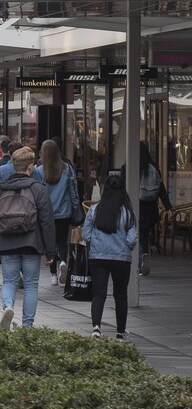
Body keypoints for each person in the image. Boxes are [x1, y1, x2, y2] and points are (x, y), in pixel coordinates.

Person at [0, 147, 58, 331]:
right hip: (31, 244)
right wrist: (50, 251)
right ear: (31, 167)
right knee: (31, 285)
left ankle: (8, 306)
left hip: (5, 242)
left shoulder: (1, 190)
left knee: (9, 282)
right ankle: (27, 326)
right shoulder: (38, 190)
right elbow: (47, 222)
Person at [83, 173, 138, 340]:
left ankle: (96, 327)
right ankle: (120, 332)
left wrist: (96, 244)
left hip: (98, 257)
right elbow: (132, 238)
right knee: (120, 294)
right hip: (121, 258)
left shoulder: (94, 210)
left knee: (99, 293)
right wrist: (125, 245)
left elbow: (86, 235)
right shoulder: (128, 212)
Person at [33, 139, 80, 285]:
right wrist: (75, 206)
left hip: (46, 213)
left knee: (50, 243)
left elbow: (36, 193)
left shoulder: (39, 171)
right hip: (64, 212)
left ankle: (53, 274)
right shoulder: (67, 168)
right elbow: (73, 191)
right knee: (62, 241)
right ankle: (63, 263)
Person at [138, 141, 171, 275]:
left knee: (134, 235)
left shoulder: (131, 167)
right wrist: (168, 207)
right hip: (151, 210)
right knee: (143, 235)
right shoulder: (154, 168)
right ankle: (144, 255)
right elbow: (161, 189)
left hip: (136, 207)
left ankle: (138, 260)